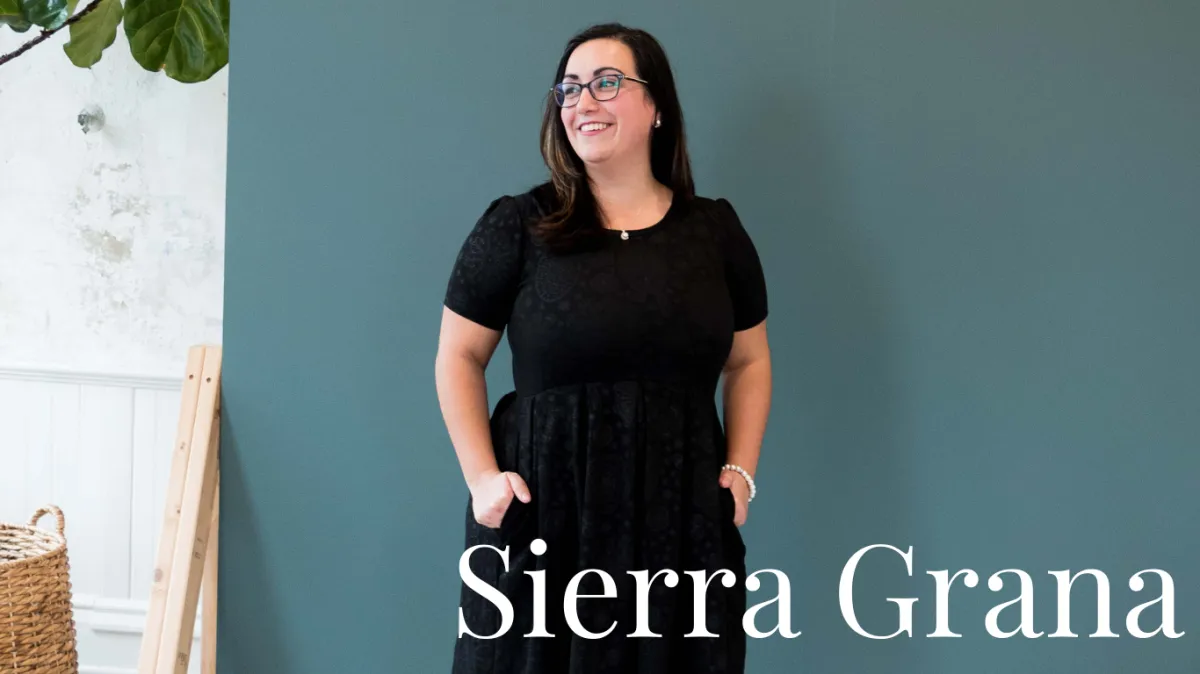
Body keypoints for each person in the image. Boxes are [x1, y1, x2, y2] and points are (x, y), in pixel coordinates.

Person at [436, 21, 772, 674]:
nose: (583, 102)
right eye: (569, 89)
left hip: (679, 521)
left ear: (657, 107)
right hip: (542, 521)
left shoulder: (715, 233)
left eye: (607, 83)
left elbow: (750, 360)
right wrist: (482, 480)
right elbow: (458, 356)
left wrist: (742, 471)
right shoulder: (518, 225)